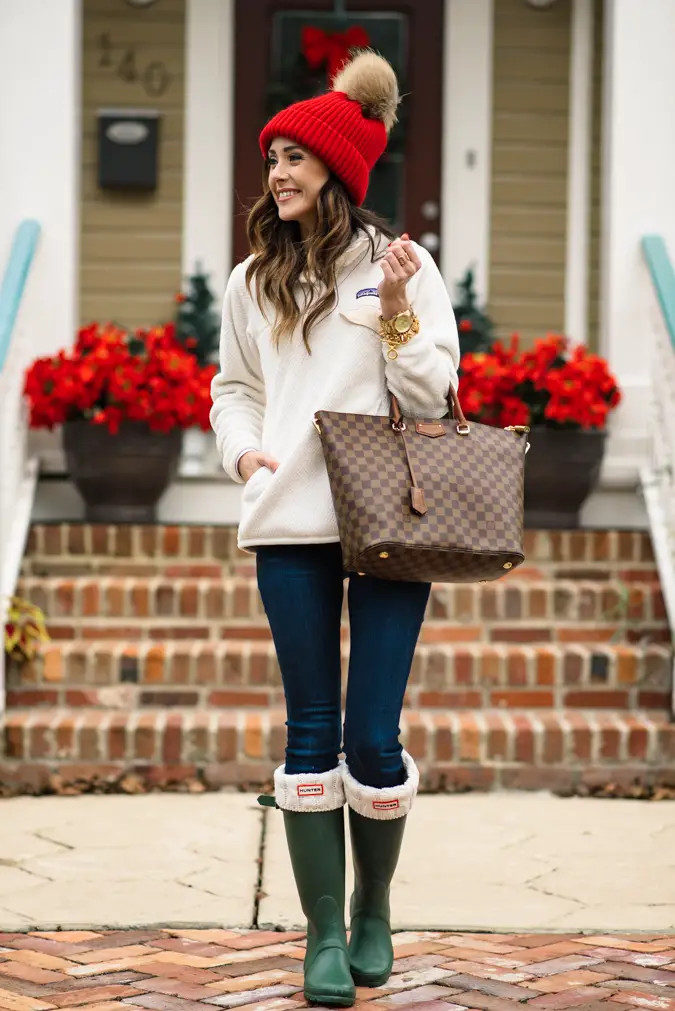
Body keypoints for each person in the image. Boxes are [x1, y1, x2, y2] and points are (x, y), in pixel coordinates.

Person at [210, 50, 460, 1009]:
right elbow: (233, 390)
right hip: (289, 522)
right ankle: (319, 933)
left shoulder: (401, 267)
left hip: (390, 519)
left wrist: (395, 311)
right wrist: (244, 456)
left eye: (295, 160)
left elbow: (433, 392)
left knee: (373, 733)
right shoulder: (248, 282)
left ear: (339, 176)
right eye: (272, 157)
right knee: (309, 728)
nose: (276, 172)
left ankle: (372, 912)